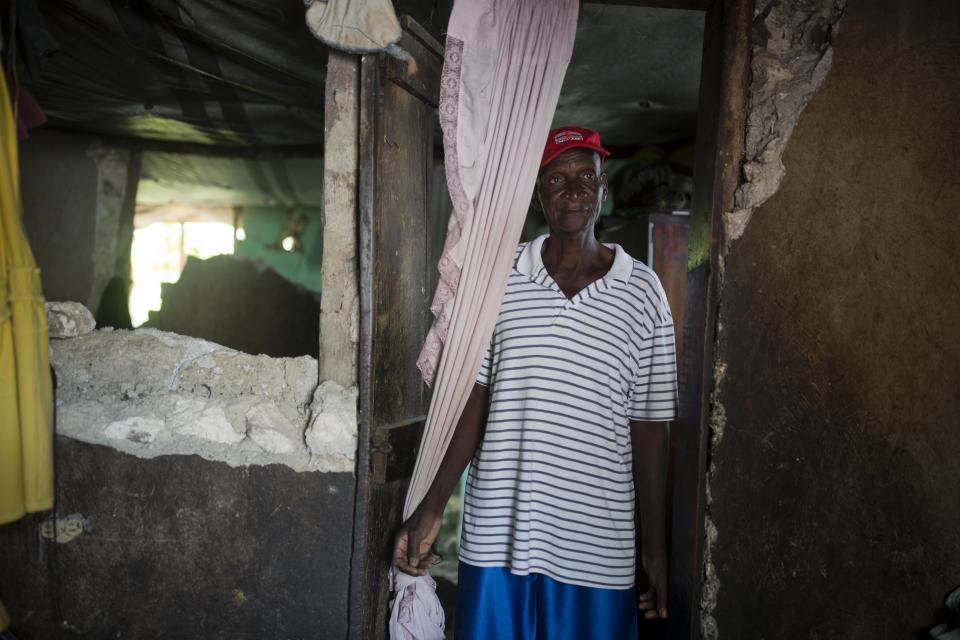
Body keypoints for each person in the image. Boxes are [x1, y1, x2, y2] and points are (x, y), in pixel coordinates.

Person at [393, 126, 678, 640]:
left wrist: (655, 549)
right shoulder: (500, 277)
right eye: (557, 179)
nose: (573, 191)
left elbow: (651, 430)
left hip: (597, 548)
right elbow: (474, 400)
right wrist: (432, 505)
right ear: (537, 195)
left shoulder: (644, 292)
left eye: (585, 177)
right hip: (499, 541)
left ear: (603, 189)